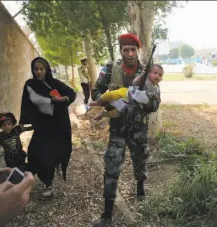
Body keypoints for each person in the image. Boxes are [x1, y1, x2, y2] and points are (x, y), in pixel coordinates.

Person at [91, 33, 161, 227]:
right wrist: (112, 100)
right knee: (111, 168)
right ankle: (107, 213)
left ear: (137, 50)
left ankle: (140, 188)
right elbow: (95, 92)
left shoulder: (148, 71)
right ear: (120, 50)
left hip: (139, 129)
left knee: (140, 161)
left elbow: (156, 103)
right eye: (126, 49)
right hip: (118, 129)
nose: (130, 53)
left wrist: (147, 101)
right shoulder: (110, 69)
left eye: (133, 49)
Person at [19, 57, 77, 197]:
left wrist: (65, 99)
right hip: (43, 123)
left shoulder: (54, 83)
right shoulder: (30, 85)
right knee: (36, 151)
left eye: (41, 69)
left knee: (56, 150)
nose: (38, 72)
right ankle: (40, 177)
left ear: (46, 70)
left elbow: (72, 93)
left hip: (59, 122)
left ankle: (48, 183)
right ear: (33, 70)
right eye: (36, 69)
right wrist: (23, 122)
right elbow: (32, 101)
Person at [89, 64, 163, 121]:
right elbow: (135, 82)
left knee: (116, 114)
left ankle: (103, 114)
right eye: (155, 73)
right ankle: (97, 102)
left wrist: (148, 101)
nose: (157, 75)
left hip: (129, 103)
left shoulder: (156, 88)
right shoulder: (145, 78)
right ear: (148, 73)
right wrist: (142, 76)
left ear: (161, 79)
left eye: (160, 75)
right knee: (109, 95)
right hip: (126, 93)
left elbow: (155, 101)